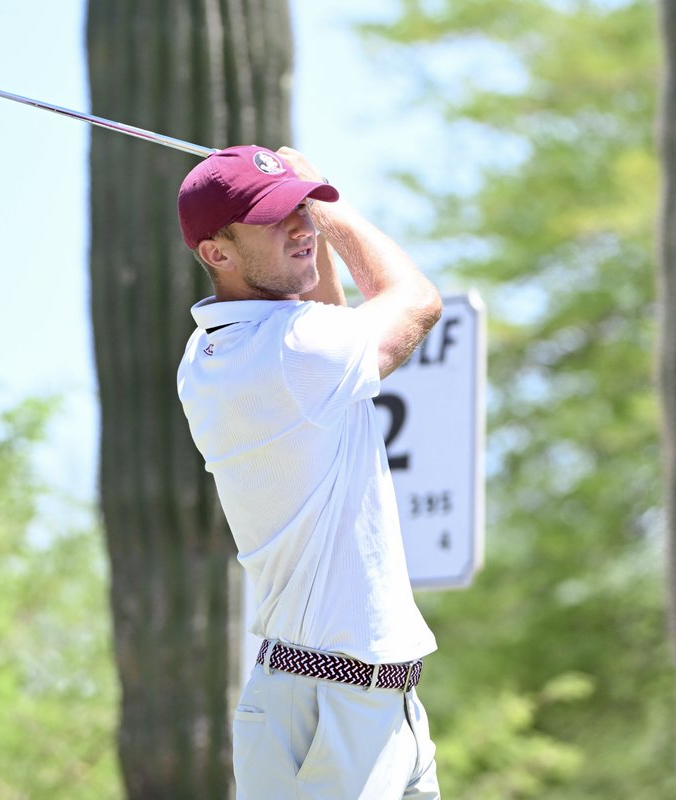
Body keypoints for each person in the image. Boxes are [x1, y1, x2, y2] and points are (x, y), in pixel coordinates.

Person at [175, 144, 442, 799]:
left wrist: (302, 198)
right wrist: (334, 206)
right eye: (273, 218)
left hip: (364, 703)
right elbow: (416, 302)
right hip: (326, 708)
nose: (299, 225)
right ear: (217, 253)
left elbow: (324, 312)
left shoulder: (240, 345)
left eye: (300, 211)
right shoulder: (290, 353)